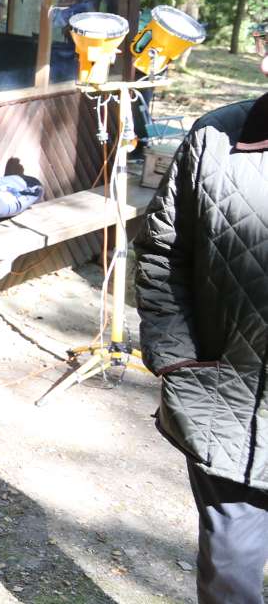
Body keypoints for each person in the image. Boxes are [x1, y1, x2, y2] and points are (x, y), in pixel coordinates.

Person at [136, 65, 268, 604]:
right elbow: (164, 252)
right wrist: (178, 362)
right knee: (229, 575)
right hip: (228, 407)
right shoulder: (215, 139)